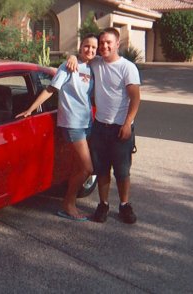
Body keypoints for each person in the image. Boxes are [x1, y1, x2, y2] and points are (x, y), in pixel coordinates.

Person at [16, 34, 98, 221]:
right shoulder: (68, 67)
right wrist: (30, 109)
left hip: (87, 122)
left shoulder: (92, 67)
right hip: (73, 123)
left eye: (94, 48)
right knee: (87, 168)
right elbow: (51, 89)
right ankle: (68, 205)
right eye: (86, 46)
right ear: (81, 46)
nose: (90, 50)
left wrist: (73, 55)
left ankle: (69, 202)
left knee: (79, 166)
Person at [67, 27, 141, 224]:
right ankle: (103, 204)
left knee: (122, 172)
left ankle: (124, 205)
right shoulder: (97, 63)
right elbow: (83, 53)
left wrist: (127, 124)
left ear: (118, 44)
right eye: (102, 43)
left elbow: (135, 98)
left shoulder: (128, 68)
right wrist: (72, 56)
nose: (104, 46)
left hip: (120, 128)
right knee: (102, 170)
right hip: (100, 127)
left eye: (109, 42)